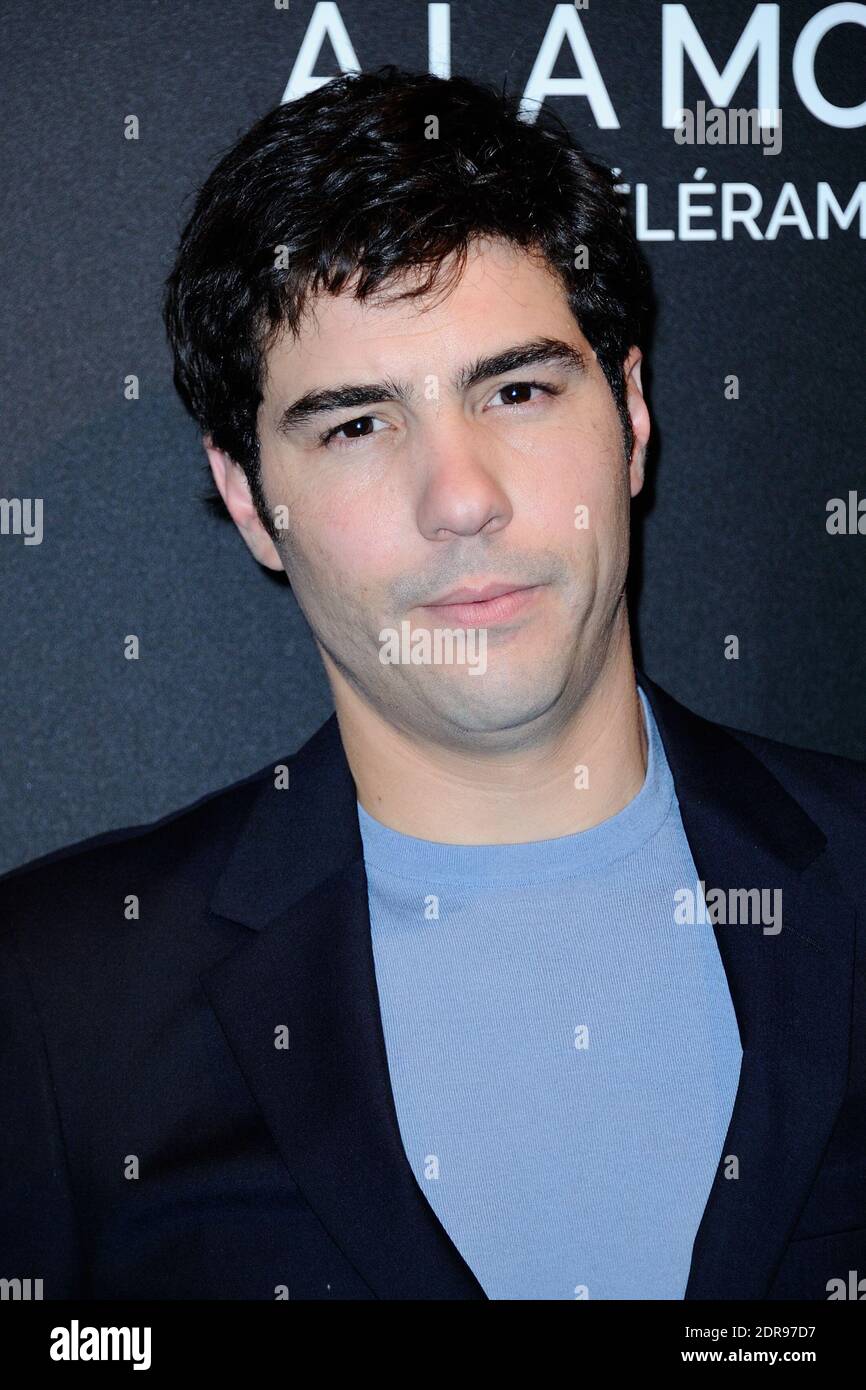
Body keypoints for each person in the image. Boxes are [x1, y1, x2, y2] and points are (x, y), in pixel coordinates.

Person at [2, 66, 864, 1302]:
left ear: (629, 412)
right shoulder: (59, 999)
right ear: (251, 497)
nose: (460, 496)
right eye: (355, 424)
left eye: (515, 390)